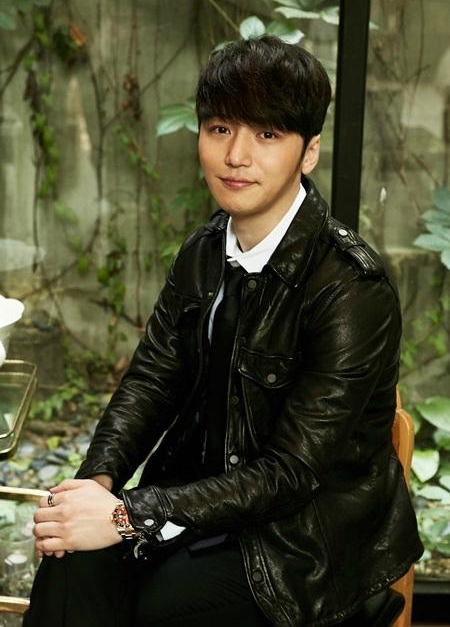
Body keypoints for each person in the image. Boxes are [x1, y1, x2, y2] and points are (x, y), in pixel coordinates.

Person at [24, 36, 423, 627]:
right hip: (202, 505)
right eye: (220, 129)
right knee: (69, 563)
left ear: (309, 152)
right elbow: (151, 381)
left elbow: (292, 474)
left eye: (267, 135)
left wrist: (127, 515)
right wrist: (94, 488)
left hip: (300, 544)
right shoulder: (205, 250)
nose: (237, 155)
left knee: (155, 608)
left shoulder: (351, 287)